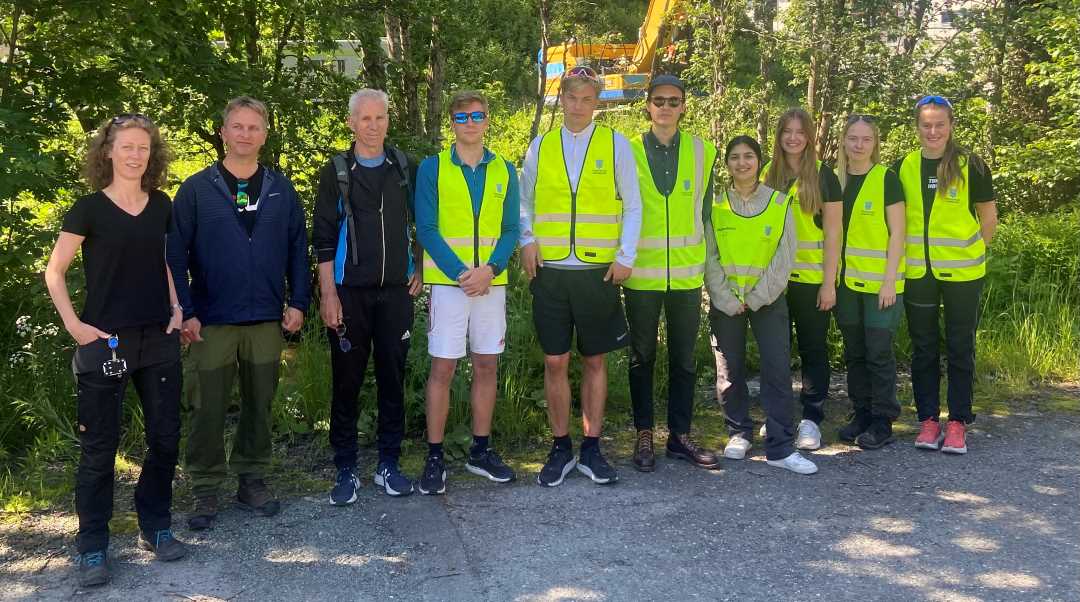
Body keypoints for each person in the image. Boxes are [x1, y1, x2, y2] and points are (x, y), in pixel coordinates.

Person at [45, 114, 188, 587]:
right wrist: (75, 326)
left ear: (152, 154)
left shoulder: (161, 205)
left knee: (165, 437)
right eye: (126, 146)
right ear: (108, 152)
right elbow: (55, 272)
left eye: (143, 148)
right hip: (105, 340)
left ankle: (156, 525)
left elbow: (165, 264)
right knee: (99, 449)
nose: (135, 155)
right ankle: (93, 548)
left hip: (158, 338)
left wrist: (175, 307)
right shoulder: (89, 209)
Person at [168, 96, 311, 528]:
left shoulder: (281, 190)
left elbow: (297, 252)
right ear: (223, 131)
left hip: (266, 318)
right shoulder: (196, 189)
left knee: (259, 403)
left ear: (265, 135)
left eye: (254, 127)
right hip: (209, 319)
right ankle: (206, 489)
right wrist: (185, 310)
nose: (245, 134)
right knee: (206, 405)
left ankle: (252, 480)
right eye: (237, 126)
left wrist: (299, 302)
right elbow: (174, 254)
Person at [519, 65, 643, 486]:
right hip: (551, 271)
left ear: (597, 102)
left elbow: (633, 205)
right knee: (555, 360)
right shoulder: (542, 145)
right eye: (572, 97)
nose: (578, 106)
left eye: (587, 98)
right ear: (562, 98)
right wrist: (527, 240)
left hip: (598, 272)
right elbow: (523, 200)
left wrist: (626, 256)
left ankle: (592, 447)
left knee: (594, 358)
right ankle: (560, 447)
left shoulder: (616, 145)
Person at [313, 88, 423, 503]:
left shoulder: (403, 166)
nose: (373, 126)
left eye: (380, 118)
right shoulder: (338, 170)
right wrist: (328, 295)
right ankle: (345, 468)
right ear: (351, 122)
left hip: (395, 293)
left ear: (388, 121)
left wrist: (421, 263)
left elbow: (424, 221)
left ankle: (388, 464)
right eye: (365, 119)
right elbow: (323, 238)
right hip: (348, 294)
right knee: (347, 381)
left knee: (393, 379)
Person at [414, 90, 519, 494]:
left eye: (477, 115)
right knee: (443, 369)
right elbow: (427, 229)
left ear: (488, 120)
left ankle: (480, 450)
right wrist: (462, 273)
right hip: (449, 285)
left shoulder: (504, 169)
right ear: (452, 124)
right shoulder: (433, 168)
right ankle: (435, 456)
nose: (471, 122)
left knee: (487, 366)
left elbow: (511, 230)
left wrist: (490, 270)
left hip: (490, 284)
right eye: (462, 117)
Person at [623, 75, 720, 472]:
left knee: (684, 359)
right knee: (641, 356)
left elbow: (707, 214)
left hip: (685, 276)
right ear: (647, 105)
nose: (665, 107)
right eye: (659, 100)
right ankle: (643, 434)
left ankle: (680, 436)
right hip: (641, 275)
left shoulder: (704, 152)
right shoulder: (625, 152)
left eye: (674, 101)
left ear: (683, 106)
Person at [706, 135, 817, 475]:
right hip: (727, 303)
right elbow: (708, 255)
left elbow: (784, 258)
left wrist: (754, 298)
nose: (742, 163)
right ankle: (738, 432)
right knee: (729, 371)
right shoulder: (715, 207)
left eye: (749, 156)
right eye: (735, 157)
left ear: (759, 161)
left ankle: (781, 446)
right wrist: (726, 297)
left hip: (767, 301)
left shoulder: (780, 203)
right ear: (727, 164)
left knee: (777, 370)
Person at [895, 95, 997, 454]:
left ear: (951, 125)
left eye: (940, 124)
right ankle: (927, 420)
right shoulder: (904, 166)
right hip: (918, 271)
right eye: (926, 124)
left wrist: (974, 251)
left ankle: (957, 422)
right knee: (923, 348)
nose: (933, 131)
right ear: (917, 127)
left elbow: (988, 217)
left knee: (959, 347)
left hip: (963, 273)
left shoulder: (972, 165)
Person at [761, 108, 843, 451]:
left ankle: (811, 419)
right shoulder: (769, 173)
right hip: (776, 281)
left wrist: (829, 283)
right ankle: (779, 416)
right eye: (787, 132)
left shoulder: (824, 176)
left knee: (812, 349)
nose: (793, 138)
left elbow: (835, 232)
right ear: (779, 137)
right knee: (776, 351)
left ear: (810, 137)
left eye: (800, 132)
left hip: (811, 279)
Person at [834, 115, 906, 449]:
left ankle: (882, 419)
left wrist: (890, 280)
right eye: (853, 138)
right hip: (846, 284)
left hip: (881, 284)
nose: (859, 145)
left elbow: (898, 233)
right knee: (855, 352)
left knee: (878, 352)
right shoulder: (836, 179)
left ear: (875, 143)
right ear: (844, 141)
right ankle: (861, 412)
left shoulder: (885, 178)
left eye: (865, 139)